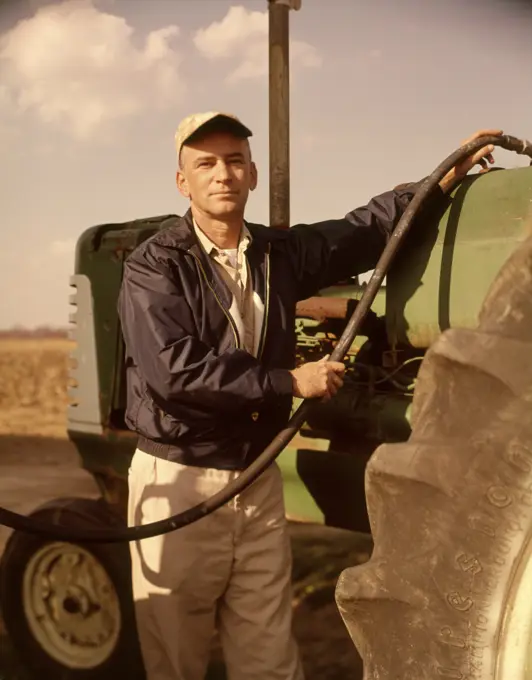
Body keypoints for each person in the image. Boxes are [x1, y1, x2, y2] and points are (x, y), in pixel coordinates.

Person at [117, 112, 501, 680]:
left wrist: (440, 179)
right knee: (178, 657)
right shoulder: (154, 265)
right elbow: (175, 372)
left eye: (234, 160)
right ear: (183, 183)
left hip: (258, 473)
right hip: (181, 481)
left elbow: (363, 232)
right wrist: (288, 382)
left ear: (250, 173)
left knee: (270, 656)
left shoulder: (277, 253)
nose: (222, 173)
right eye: (205, 163)